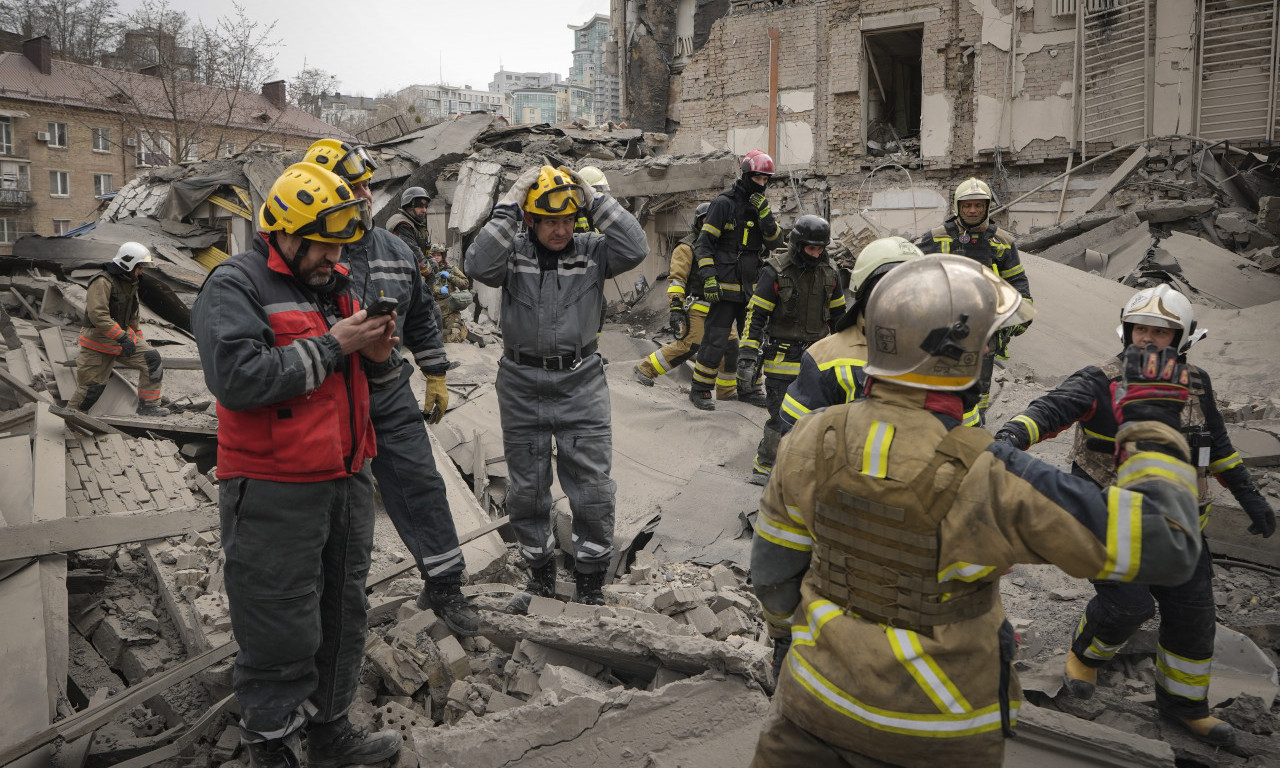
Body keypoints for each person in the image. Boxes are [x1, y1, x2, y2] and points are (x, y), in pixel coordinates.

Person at [749, 254, 1204, 768]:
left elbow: (773, 573)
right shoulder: (990, 475)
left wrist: (796, 640)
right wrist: (1153, 425)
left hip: (810, 708)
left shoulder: (811, 436)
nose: (989, 348)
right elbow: (1170, 547)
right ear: (958, 357)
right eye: (985, 341)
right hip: (934, 734)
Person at [993, 283, 1277, 748]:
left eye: (1161, 332)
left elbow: (1218, 447)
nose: (1148, 338)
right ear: (1126, 331)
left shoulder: (1197, 384)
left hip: (1181, 530)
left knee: (1193, 616)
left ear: (1182, 338)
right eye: (1140, 328)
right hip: (1112, 526)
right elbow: (1048, 411)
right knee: (1128, 607)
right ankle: (1085, 657)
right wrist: (1009, 436)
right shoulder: (1098, 380)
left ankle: (1186, 707)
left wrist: (1249, 495)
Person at [190, 162, 403, 768]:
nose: (334, 254)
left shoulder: (333, 283)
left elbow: (357, 375)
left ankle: (329, 732)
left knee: (343, 611)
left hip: (345, 477)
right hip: (274, 487)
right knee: (278, 620)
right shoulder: (235, 285)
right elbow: (237, 379)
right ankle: (272, 745)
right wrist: (336, 345)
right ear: (285, 231)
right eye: (325, 242)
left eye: (341, 242)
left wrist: (380, 355)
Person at [302, 139, 478, 637]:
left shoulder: (394, 248)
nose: (360, 194)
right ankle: (322, 608)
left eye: (363, 185)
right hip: (325, 400)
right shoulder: (304, 254)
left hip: (386, 389)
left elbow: (422, 314)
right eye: (348, 185)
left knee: (420, 484)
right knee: (328, 507)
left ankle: (445, 587)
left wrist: (435, 371)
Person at [465, 165, 648, 604]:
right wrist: (509, 203)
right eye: (551, 221)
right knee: (527, 490)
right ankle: (540, 574)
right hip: (522, 383)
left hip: (580, 382)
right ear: (532, 220)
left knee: (592, 488)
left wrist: (596, 200)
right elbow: (477, 263)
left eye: (568, 220)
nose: (561, 230)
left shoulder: (593, 251)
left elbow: (636, 246)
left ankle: (590, 582)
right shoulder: (513, 254)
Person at [776, 236, 925, 438]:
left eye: (910, 288)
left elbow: (965, 437)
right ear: (865, 292)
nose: (899, 298)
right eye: (888, 287)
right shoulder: (823, 358)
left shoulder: (939, 352)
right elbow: (796, 441)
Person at [915, 178, 1032, 426]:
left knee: (980, 389)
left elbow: (1018, 283)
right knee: (938, 382)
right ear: (957, 206)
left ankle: (977, 432)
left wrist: (1019, 319)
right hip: (942, 326)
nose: (972, 210)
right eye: (967, 205)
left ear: (987, 207)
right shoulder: (935, 238)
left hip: (984, 329)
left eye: (978, 205)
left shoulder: (1002, 242)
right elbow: (913, 275)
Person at [739, 215, 846, 484]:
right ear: (798, 245)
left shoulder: (830, 273)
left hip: (817, 359)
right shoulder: (775, 271)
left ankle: (802, 471)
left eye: (820, 249)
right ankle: (764, 468)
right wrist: (747, 356)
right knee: (780, 418)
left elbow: (840, 319)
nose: (816, 254)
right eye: (811, 248)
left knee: (814, 420)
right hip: (782, 358)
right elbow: (756, 315)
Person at [688, 149, 782, 410]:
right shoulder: (723, 204)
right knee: (715, 341)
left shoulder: (760, 208)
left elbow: (776, 242)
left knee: (753, 341)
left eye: (766, 180)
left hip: (752, 288)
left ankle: (749, 388)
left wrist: (766, 217)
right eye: (758, 179)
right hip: (723, 288)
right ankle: (700, 390)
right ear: (746, 175)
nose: (762, 184)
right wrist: (709, 278)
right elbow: (703, 245)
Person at [633, 202, 739, 400]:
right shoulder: (687, 247)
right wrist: (675, 307)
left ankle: (726, 392)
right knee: (690, 345)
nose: (711, 223)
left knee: (731, 347)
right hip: (696, 307)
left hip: (720, 309)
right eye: (706, 219)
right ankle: (645, 368)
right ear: (699, 222)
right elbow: (677, 279)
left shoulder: (724, 248)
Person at [68, 241, 168, 417]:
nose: (141, 271)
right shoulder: (102, 281)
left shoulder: (131, 282)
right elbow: (98, 315)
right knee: (91, 391)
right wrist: (122, 337)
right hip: (97, 343)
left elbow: (132, 317)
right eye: (139, 267)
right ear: (128, 264)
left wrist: (137, 338)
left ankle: (148, 406)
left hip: (122, 339)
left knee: (152, 359)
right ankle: (70, 421)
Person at [424, 243, 482, 346]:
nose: (436, 258)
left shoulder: (450, 269)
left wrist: (451, 277)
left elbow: (465, 284)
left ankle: (456, 330)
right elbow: (420, 288)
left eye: (439, 255)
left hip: (449, 310)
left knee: (455, 335)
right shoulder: (425, 270)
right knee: (424, 337)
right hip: (431, 310)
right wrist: (438, 290)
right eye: (434, 255)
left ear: (443, 256)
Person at [387, 185, 433, 273]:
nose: (424, 210)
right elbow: (414, 254)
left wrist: (432, 261)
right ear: (408, 206)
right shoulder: (402, 225)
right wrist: (430, 273)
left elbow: (423, 250)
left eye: (425, 207)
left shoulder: (415, 224)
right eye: (420, 206)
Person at [574, 166, 610, 233]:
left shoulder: (599, 214)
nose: (601, 196)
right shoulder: (573, 215)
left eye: (604, 192)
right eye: (598, 191)